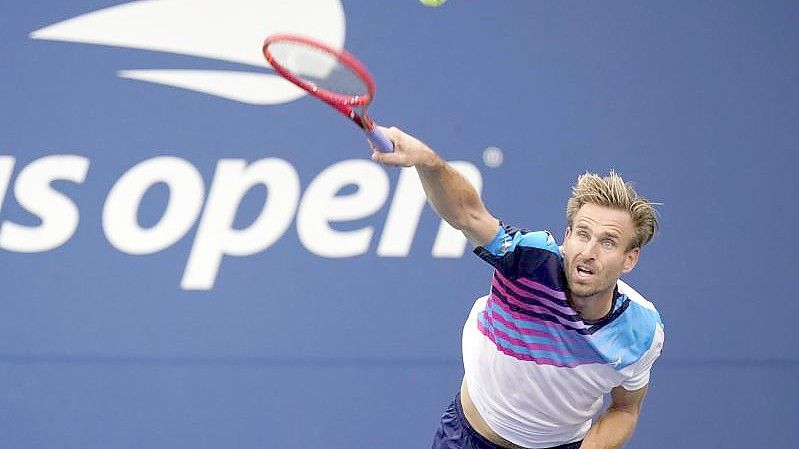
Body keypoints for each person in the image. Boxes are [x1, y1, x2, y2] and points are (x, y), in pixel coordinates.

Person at [370, 127, 665, 449]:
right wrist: (428, 162)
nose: (589, 251)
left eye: (608, 242)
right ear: (566, 237)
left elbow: (624, 408)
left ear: (630, 259)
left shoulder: (641, 330)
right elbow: (467, 215)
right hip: (467, 439)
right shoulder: (529, 261)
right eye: (582, 234)